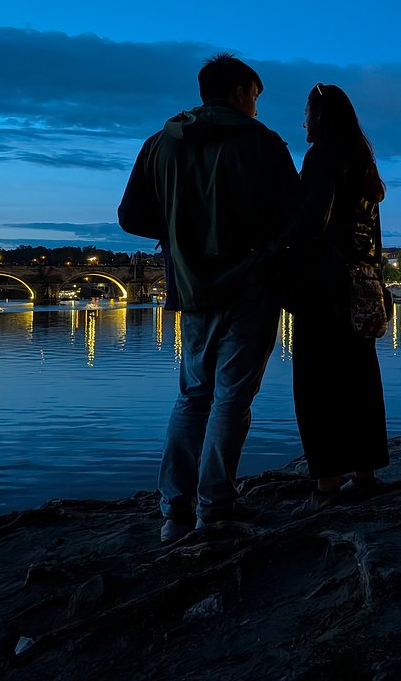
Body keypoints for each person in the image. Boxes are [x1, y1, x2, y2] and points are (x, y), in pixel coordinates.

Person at [118, 53, 300, 542]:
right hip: (250, 285)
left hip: (190, 287)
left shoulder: (159, 144)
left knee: (192, 397)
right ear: (242, 94)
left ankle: (173, 511)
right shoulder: (261, 144)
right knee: (230, 400)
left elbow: (131, 218)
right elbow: (295, 218)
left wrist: (178, 229)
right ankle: (215, 506)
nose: (257, 109)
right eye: (256, 98)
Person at [289, 82, 390, 513]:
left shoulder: (322, 158)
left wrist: (278, 254)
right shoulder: (363, 164)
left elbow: (310, 223)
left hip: (325, 290)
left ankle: (327, 483)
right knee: (361, 380)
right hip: (363, 285)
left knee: (316, 385)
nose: (303, 121)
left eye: (307, 112)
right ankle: (365, 475)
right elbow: (375, 240)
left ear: (320, 116)